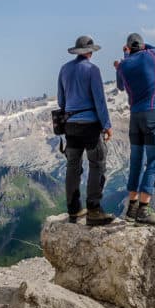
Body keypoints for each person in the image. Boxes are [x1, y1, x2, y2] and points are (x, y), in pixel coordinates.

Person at [58, 35, 114, 226]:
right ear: (90, 52)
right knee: (97, 163)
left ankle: (74, 210)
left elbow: (61, 101)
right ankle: (94, 210)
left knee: (73, 166)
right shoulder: (93, 70)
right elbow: (99, 100)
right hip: (89, 125)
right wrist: (106, 125)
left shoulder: (64, 69)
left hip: (70, 126)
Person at [114, 33, 155, 225]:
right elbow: (150, 47)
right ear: (142, 46)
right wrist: (131, 51)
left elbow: (120, 86)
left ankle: (131, 208)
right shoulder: (151, 55)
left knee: (136, 160)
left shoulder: (123, 66)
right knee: (154, 159)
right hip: (152, 114)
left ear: (129, 47)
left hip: (135, 118)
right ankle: (144, 210)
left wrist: (125, 57)